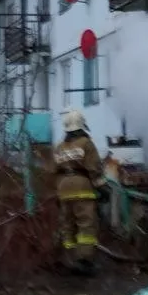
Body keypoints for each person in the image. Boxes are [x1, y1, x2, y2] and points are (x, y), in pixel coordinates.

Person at [54, 109, 105, 275]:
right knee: (86, 224)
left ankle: (68, 259)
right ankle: (84, 261)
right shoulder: (86, 143)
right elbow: (94, 168)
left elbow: (53, 170)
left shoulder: (59, 147)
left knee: (67, 224)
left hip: (63, 188)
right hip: (82, 187)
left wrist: (58, 191)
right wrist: (101, 187)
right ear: (82, 127)